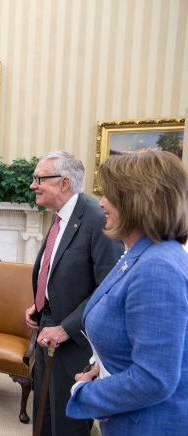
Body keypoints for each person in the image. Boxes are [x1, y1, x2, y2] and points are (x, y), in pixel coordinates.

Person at [66, 150, 188, 435]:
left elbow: (154, 378)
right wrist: (102, 367)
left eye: (110, 196)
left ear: (137, 201)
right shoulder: (139, 254)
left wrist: (82, 393)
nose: (101, 203)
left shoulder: (158, 267)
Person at [24, 150, 124, 436]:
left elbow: (108, 287)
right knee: (43, 415)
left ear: (64, 183)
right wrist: (40, 305)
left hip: (75, 340)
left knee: (67, 422)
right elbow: (61, 273)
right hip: (48, 330)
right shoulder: (58, 218)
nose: (33, 185)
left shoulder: (97, 219)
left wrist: (66, 328)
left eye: (39, 178)